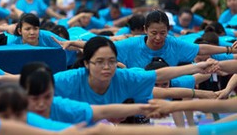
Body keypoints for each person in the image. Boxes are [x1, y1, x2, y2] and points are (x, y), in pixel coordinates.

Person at [53, 36, 218, 106]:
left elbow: (159, 76)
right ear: (87, 64)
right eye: (100, 62)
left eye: (112, 61)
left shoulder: (124, 77)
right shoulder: (67, 80)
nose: (106, 67)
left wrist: (197, 67)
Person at [20, 62, 151, 125]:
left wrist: (149, 109)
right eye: (35, 98)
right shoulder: (7, 114)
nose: (42, 104)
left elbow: (103, 112)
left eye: (48, 97)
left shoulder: (63, 106)